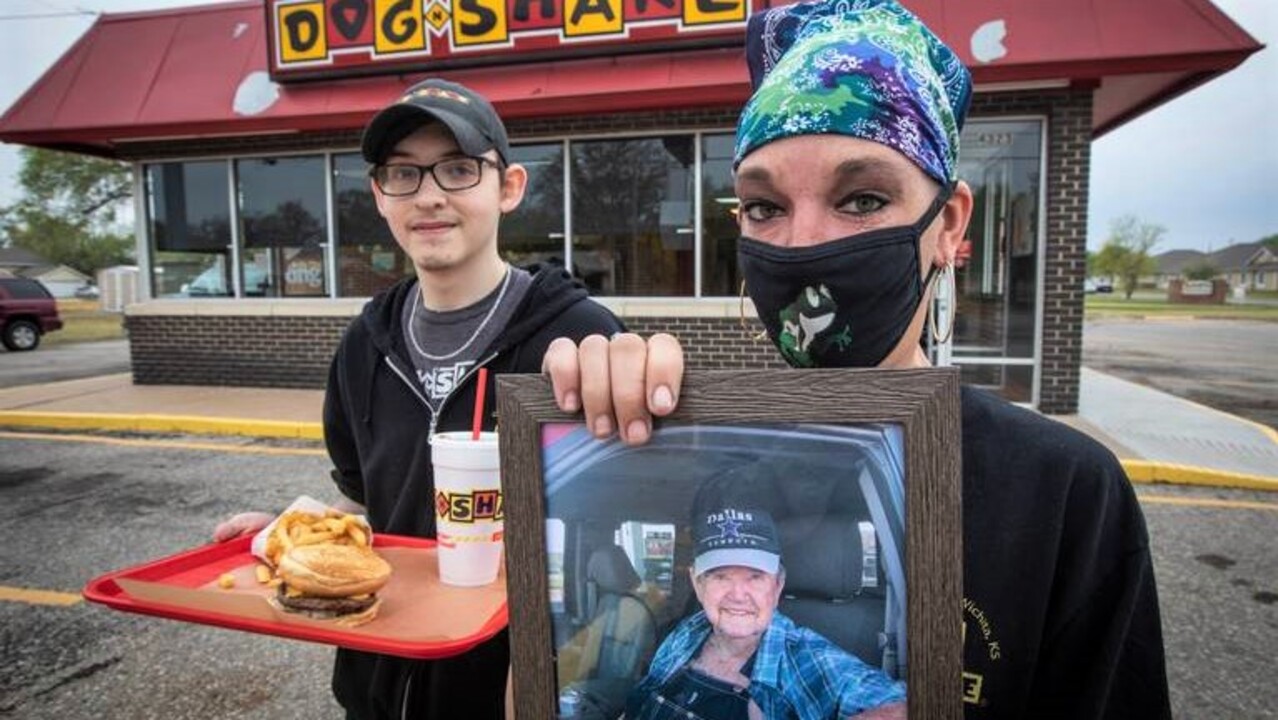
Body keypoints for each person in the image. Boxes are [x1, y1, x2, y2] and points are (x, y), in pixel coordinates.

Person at [542, 2, 1172, 718]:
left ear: (949, 225)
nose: (804, 244)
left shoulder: (1061, 492)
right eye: (764, 207)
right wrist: (569, 442)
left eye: (863, 198)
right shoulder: (721, 466)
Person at [215, 77, 625, 719]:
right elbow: (363, 505)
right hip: (376, 684)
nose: (429, 195)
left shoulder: (579, 337)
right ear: (380, 196)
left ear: (508, 187)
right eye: (404, 174)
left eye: (458, 169)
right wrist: (292, 538)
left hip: (509, 693)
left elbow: (618, 523)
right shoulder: (364, 344)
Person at [626, 505, 905, 720]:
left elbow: (906, 707)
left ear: (778, 585)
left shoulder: (804, 658)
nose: (738, 595)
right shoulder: (687, 632)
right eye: (721, 576)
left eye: (755, 577)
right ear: (697, 584)